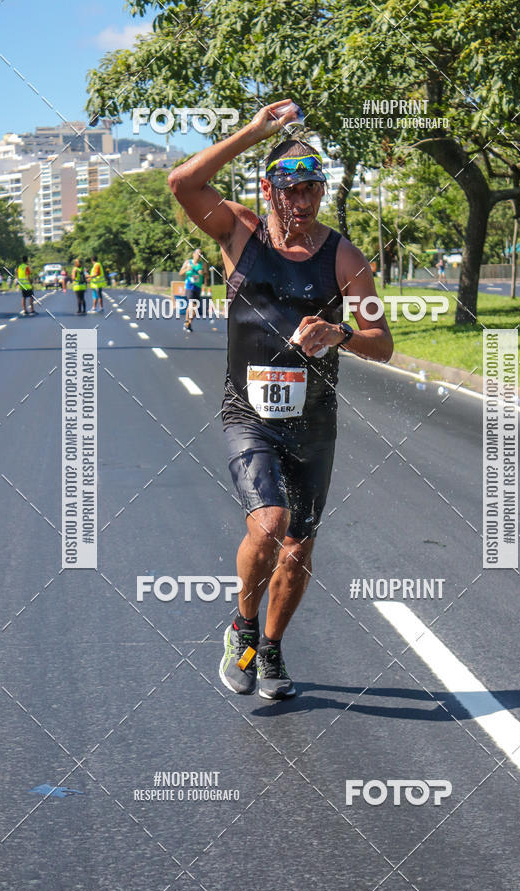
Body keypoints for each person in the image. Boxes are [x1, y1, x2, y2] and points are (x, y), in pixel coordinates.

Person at [169, 99, 393, 700]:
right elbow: (182, 182)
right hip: (249, 412)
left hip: (314, 419)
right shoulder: (237, 230)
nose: (303, 201)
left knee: (298, 547)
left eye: (313, 189)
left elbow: (383, 343)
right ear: (268, 189)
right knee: (270, 524)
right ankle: (242, 625)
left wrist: (339, 332)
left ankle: (269, 649)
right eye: (291, 189)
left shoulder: (344, 257)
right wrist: (252, 131)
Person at [179, 248, 204, 331]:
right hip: (189, 286)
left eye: (200, 254)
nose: (199, 256)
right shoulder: (188, 262)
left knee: (195, 309)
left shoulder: (202, 264)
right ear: (193, 254)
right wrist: (187, 269)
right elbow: (180, 273)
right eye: (198, 253)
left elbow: (206, 275)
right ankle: (186, 321)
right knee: (191, 304)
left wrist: (203, 273)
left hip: (198, 287)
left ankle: (188, 323)